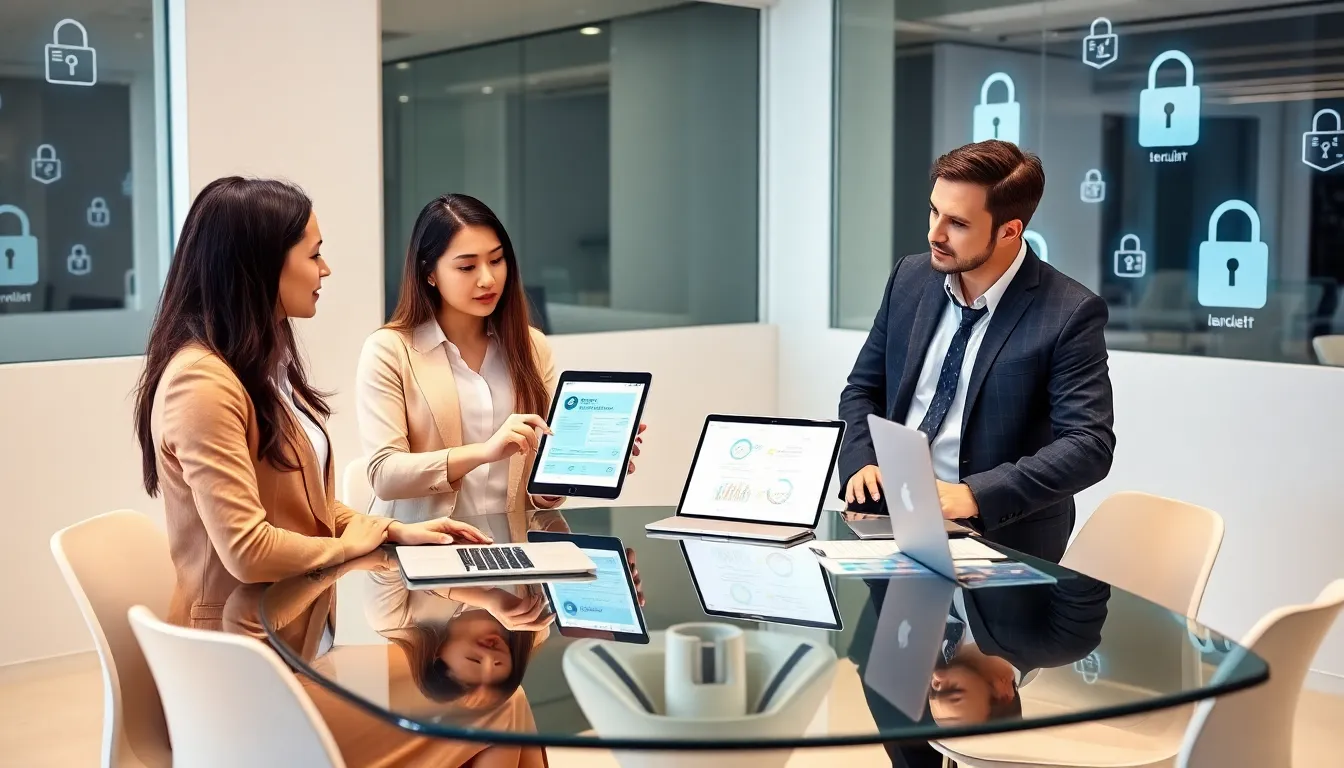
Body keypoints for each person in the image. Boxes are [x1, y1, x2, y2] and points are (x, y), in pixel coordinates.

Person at [133, 177, 492, 766]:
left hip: (291, 648)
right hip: (238, 681)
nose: (326, 269)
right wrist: (349, 545)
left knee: (503, 696)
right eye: (314, 253)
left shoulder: (255, 365)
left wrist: (389, 530)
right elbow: (246, 550)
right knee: (490, 705)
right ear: (261, 265)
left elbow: (303, 503)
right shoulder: (201, 382)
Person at [838, 140, 1115, 563]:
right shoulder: (909, 278)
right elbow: (862, 389)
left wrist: (972, 495)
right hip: (888, 522)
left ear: (1010, 230)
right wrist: (862, 460)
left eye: (958, 223)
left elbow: (1088, 445)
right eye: (934, 211)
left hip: (1001, 540)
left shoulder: (1069, 312)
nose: (934, 233)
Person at [356, 193, 643, 543]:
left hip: (512, 557)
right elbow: (384, 474)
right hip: (425, 558)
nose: (488, 279)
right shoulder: (390, 350)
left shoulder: (531, 346)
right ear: (429, 273)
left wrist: (589, 462)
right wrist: (484, 452)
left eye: (496, 260)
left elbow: (535, 488)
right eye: (467, 267)